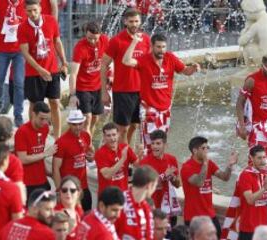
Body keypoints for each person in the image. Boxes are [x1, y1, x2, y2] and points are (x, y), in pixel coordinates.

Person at [122, 33, 200, 150]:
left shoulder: (170, 58)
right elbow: (126, 61)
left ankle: (159, 167)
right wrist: (134, 42)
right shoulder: (144, 60)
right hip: (149, 108)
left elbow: (185, 71)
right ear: (152, 47)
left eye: (163, 47)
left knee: (161, 142)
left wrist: (193, 68)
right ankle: (147, 166)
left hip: (165, 108)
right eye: (158, 47)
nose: (161, 50)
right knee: (149, 144)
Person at [18, 0, 67, 138]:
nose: (32, 14)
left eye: (35, 10)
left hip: (52, 69)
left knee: (55, 102)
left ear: (40, 8)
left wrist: (63, 62)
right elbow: (25, 53)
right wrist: (40, 69)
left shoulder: (51, 21)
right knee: (35, 104)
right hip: (34, 72)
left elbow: (57, 41)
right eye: (29, 11)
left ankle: (57, 136)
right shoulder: (22, 28)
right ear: (25, 11)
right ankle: (33, 134)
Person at [101, 8, 151, 144]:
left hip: (141, 91)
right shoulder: (116, 41)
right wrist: (104, 92)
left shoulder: (146, 39)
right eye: (131, 21)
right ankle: (120, 155)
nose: (134, 24)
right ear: (125, 22)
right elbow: (104, 64)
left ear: (140, 22)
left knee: (135, 125)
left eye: (136, 21)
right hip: (123, 91)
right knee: (121, 128)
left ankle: (126, 151)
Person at [180, 136, 238, 238]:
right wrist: (205, 163)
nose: (206, 151)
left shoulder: (209, 164)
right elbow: (199, 182)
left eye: (207, 148)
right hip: (193, 217)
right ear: (194, 150)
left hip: (210, 214)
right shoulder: (186, 167)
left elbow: (224, 177)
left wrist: (230, 166)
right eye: (203, 148)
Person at [0, 0, 26, 126]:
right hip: (2, 49)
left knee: (19, 82)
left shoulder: (25, 3)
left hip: (20, 50)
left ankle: (18, 114)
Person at [69, 21, 109, 136]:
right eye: (89, 38)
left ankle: (88, 138)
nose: (92, 41)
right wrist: (73, 95)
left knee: (95, 118)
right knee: (87, 118)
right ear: (85, 34)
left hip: (98, 87)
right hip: (83, 88)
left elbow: (112, 58)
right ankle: (88, 146)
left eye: (95, 39)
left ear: (100, 35)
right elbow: (73, 73)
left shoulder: (105, 40)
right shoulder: (80, 48)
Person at [53, 109, 93, 212]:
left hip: (83, 187)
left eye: (80, 123)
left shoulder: (86, 136)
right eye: (74, 124)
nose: (78, 127)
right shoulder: (61, 142)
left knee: (86, 216)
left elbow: (89, 154)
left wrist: (90, 157)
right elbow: (55, 168)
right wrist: (59, 191)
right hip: (69, 189)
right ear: (69, 123)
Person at [15, 101, 57, 198]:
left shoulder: (45, 128)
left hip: (42, 179)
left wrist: (47, 172)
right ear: (33, 114)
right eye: (41, 119)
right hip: (27, 182)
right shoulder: (22, 132)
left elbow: (38, 151)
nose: (44, 122)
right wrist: (45, 154)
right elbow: (22, 159)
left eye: (47, 119)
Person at [236, 145, 267, 240]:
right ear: (251, 158)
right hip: (249, 229)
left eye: (264, 157)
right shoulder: (245, 175)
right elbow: (250, 200)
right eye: (259, 158)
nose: (263, 161)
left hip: (265, 229)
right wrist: (264, 188)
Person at [140, 130, 181, 222]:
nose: (154, 146)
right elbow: (146, 186)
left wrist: (172, 177)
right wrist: (164, 175)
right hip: (152, 208)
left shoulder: (172, 159)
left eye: (158, 143)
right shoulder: (144, 162)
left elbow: (178, 184)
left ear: (165, 145)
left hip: (168, 208)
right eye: (153, 143)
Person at [115, 165, 159, 239]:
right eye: (155, 186)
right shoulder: (120, 202)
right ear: (149, 185)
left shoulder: (147, 208)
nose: (154, 190)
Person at [95, 122, 139, 195]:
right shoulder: (100, 153)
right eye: (108, 135)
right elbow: (107, 175)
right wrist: (122, 160)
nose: (112, 138)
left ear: (118, 134)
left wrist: (140, 156)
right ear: (104, 137)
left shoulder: (125, 148)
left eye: (114, 135)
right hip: (107, 196)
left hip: (123, 194)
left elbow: (138, 165)